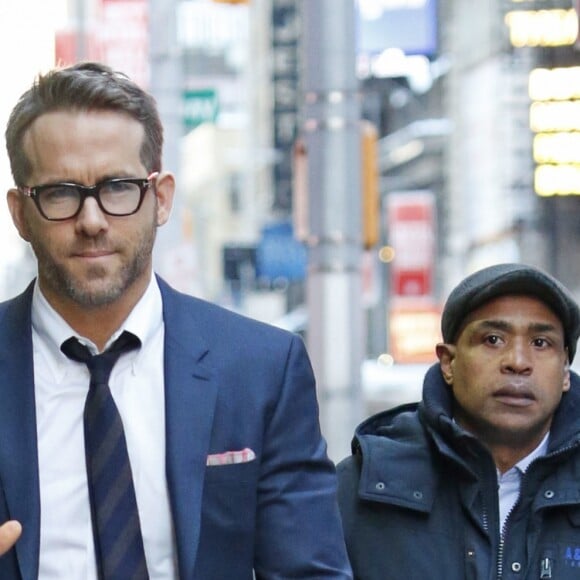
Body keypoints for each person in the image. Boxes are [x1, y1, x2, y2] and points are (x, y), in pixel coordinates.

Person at [0, 61, 352, 579]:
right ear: (20, 213)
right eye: (61, 194)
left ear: (160, 199)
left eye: (118, 187)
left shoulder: (259, 369)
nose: (92, 221)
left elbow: (310, 572)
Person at [337, 263, 580, 580]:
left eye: (540, 343)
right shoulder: (361, 488)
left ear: (564, 372)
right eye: (493, 339)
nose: (518, 362)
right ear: (448, 362)